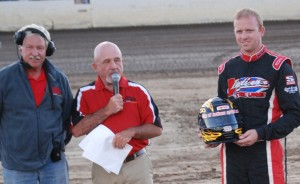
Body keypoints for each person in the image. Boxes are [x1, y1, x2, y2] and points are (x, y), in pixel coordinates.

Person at [211, 8, 300, 184]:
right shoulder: (227, 69)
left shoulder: (279, 67)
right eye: (239, 31)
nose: (243, 36)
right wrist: (214, 137)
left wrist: (260, 134)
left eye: (249, 30)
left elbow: (295, 114)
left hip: (265, 153)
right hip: (232, 156)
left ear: (261, 31)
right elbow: (221, 113)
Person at [71, 41, 163, 184]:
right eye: (107, 61)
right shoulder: (85, 93)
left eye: (117, 60)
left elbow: (156, 129)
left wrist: (131, 132)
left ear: (122, 62)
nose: (113, 66)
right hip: (103, 167)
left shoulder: (138, 91)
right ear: (95, 66)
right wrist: (107, 111)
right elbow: (76, 130)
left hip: (137, 164)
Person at [0, 24, 73, 183]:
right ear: (20, 49)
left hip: (53, 163)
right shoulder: (3, 79)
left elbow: (67, 118)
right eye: (29, 47)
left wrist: (58, 143)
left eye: (40, 48)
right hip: (17, 166)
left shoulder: (59, 79)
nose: (35, 53)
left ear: (48, 50)